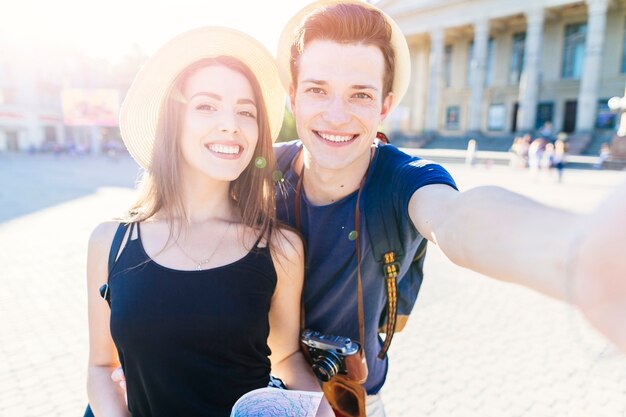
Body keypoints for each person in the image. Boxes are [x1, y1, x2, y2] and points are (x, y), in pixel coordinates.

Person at [112, 1, 626, 416]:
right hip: (247, 394)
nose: (336, 115)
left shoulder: (404, 181)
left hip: (347, 398)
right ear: (292, 96)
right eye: (318, 90)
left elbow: (457, 218)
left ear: (385, 105)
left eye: (359, 95)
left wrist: (577, 253)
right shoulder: (262, 171)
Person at [86, 26, 331, 417]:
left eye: (246, 112)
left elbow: (286, 358)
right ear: (173, 121)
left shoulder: (280, 247)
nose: (231, 124)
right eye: (206, 105)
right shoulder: (111, 241)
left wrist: (323, 414)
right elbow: (101, 366)